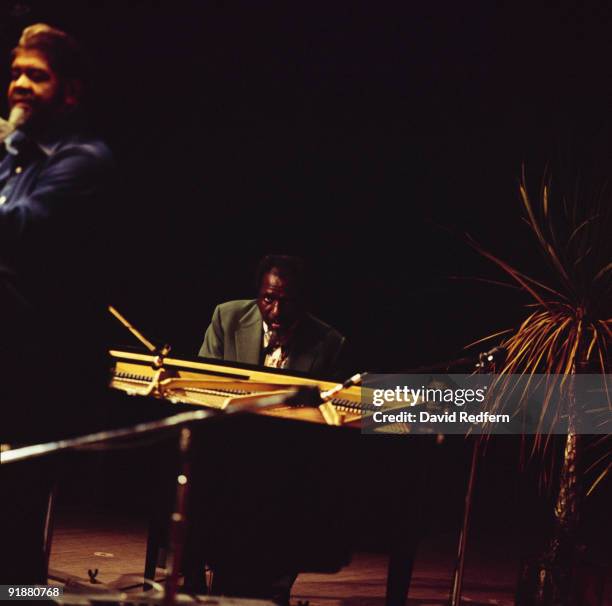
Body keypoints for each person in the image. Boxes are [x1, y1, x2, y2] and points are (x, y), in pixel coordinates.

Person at [0, 23, 114, 583]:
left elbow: (21, 231)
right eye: (15, 72)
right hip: (10, 364)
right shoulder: (14, 160)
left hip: (41, 376)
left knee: (16, 533)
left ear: (69, 91)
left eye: (35, 76)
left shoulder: (84, 160)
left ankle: (25, 600)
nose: (19, 83)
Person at [199, 254, 346, 376]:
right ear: (258, 296)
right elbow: (201, 380)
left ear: (301, 301)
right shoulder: (226, 318)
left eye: (287, 301)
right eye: (269, 299)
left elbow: (354, 401)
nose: (277, 311)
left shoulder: (331, 343)